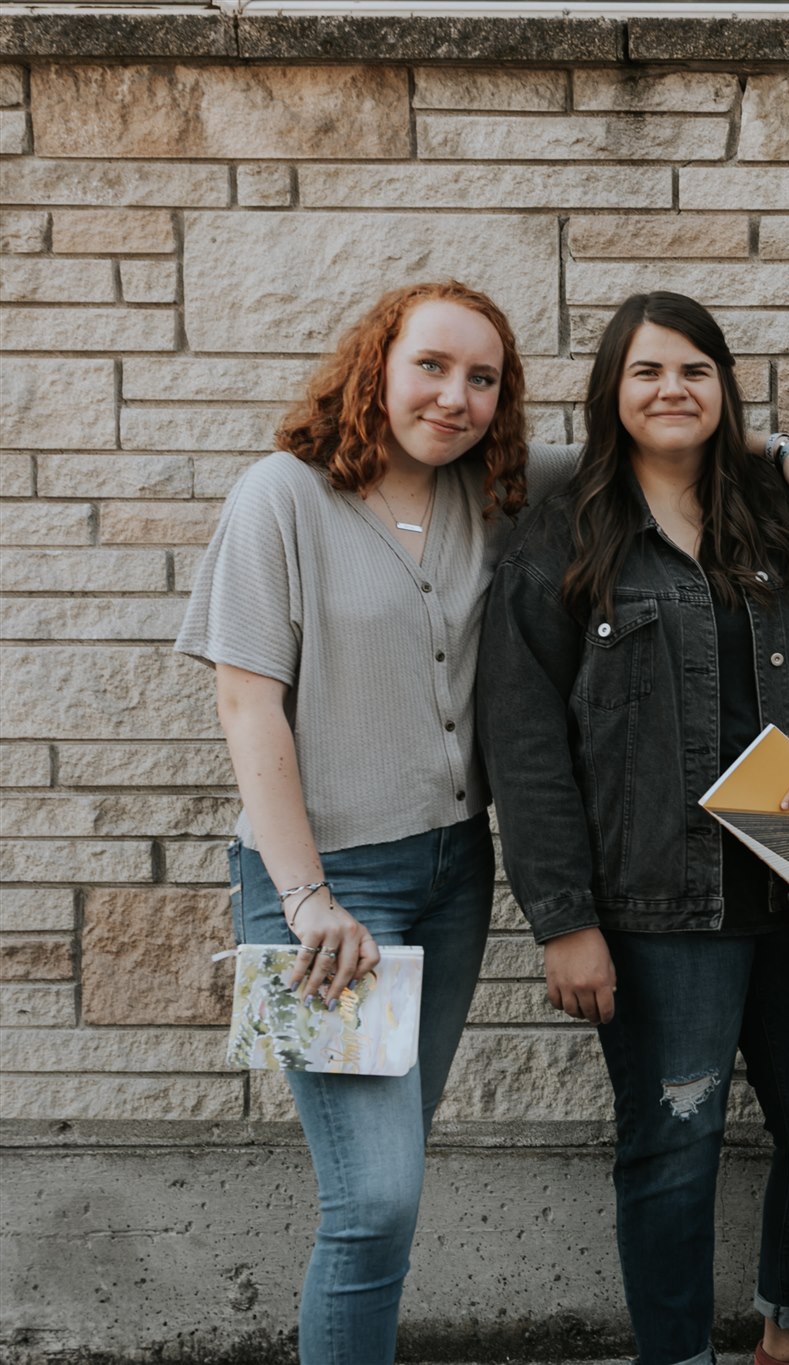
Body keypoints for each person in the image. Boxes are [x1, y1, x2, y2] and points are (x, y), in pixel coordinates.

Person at [478, 291, 789, 1365]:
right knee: (674, 1145)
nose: (672, 390)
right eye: (647, 372)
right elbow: (525, 751)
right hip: (654, 902)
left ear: (723, 387)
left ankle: (788, 1330)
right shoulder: (559, 536)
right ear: (613, 391)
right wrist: (564, 919)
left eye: (694, 371)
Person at [177, 281, 529, 1365]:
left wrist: (782, 447)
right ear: (375, 363)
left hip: (454, 875)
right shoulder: (278, 497)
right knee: (371, 1199)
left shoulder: (489, 495)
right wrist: (306, 899)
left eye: (482, 378)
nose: (455, 396)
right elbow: (247, 705)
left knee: (387, 1186)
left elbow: (651, 446)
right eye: (432, 365)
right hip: (324, 894)